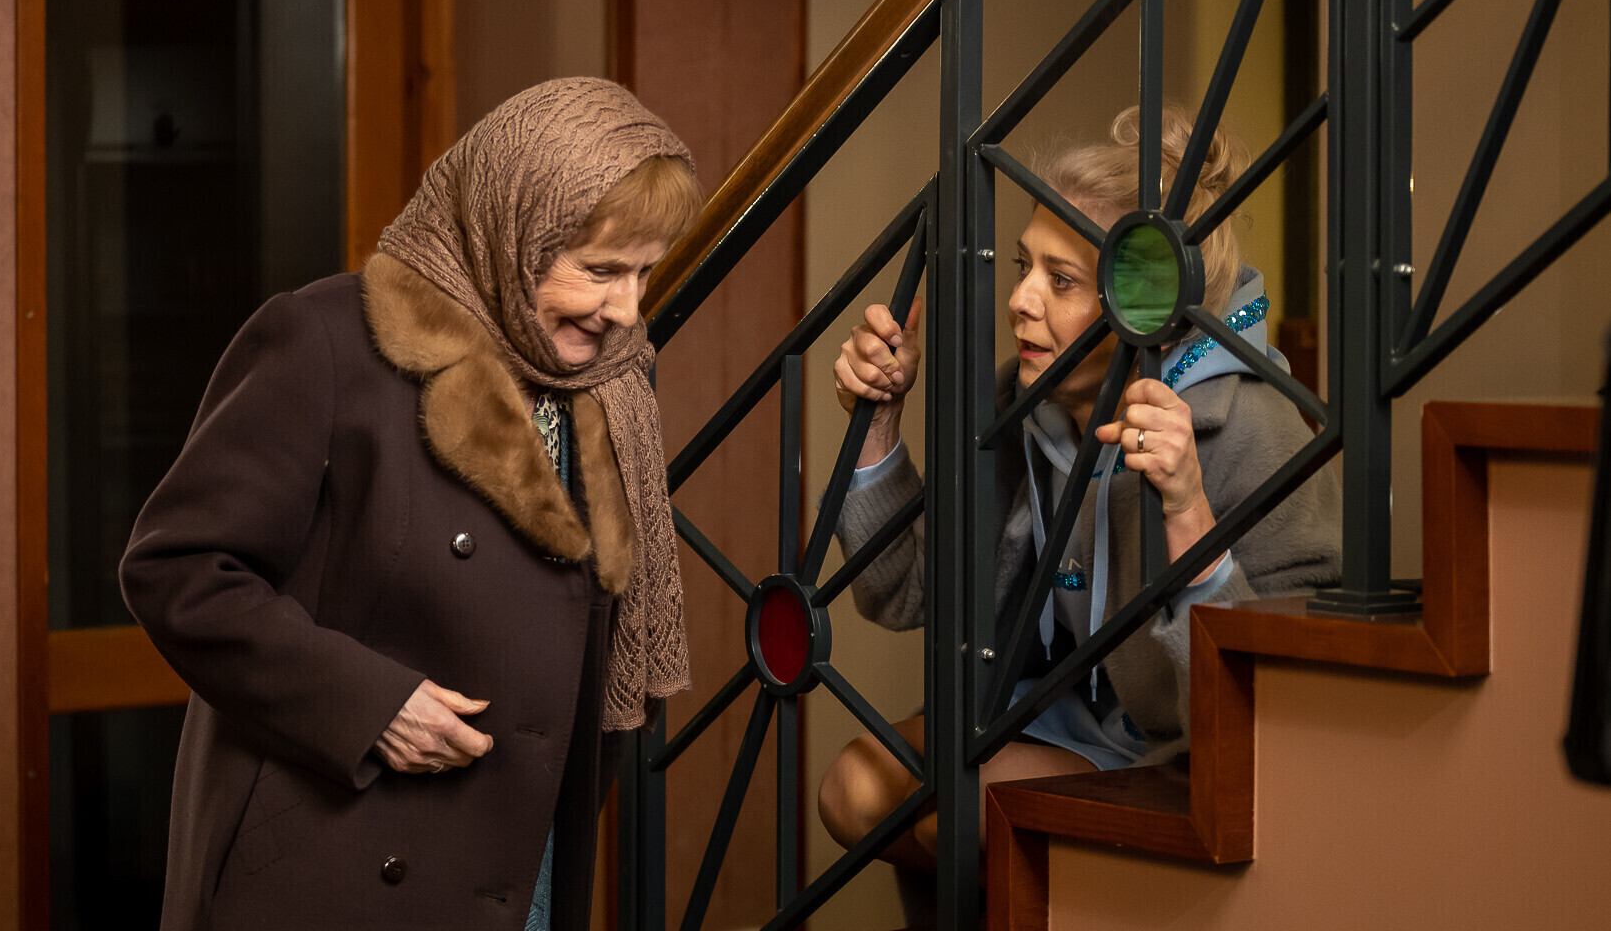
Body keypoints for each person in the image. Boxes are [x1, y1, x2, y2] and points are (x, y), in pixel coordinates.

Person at [121, 77, 699, 930]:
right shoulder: (325, 337)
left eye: (645, 272)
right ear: (511, 227)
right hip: (335, 865)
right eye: (601, 270)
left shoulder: (607, 390)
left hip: (518, 868)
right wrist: (369, 706)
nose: (628, 310)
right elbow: (178, 570)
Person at [816, 106, 1342, 914]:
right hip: (1060, 715)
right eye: (1024, 265)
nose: (1019, 299)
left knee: (959, 820)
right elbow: (903, 594)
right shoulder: (1020, 402)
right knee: (850, 790)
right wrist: (879, 422)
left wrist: (1187, 511)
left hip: (1178, 745)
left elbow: (1282, 713)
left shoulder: (1257, 428)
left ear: (1147, 305)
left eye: (1060, 281)